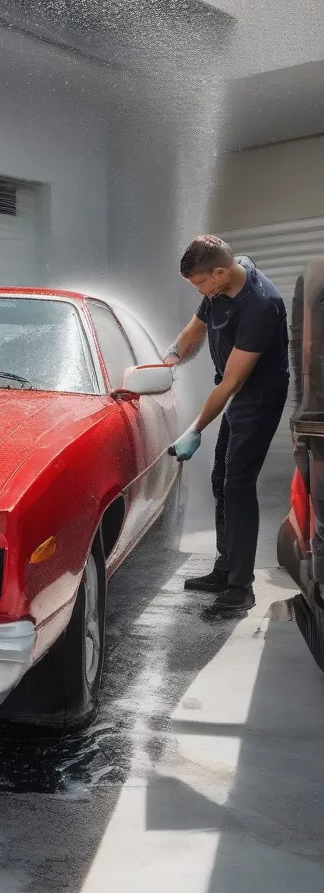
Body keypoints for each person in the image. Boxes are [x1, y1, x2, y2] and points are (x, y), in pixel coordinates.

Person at [165, 235, 290, 619]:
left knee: (238, 484)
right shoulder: (220, 285)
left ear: (219, 272)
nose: (201, 291)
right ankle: (224, 570)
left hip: (259, 396)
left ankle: (241, 589)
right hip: (238, 392)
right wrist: (165, 363)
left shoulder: (261, 304)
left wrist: (195, 428)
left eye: (201, 283)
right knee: (221, 479)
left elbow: (232, 383)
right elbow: (191, 332)